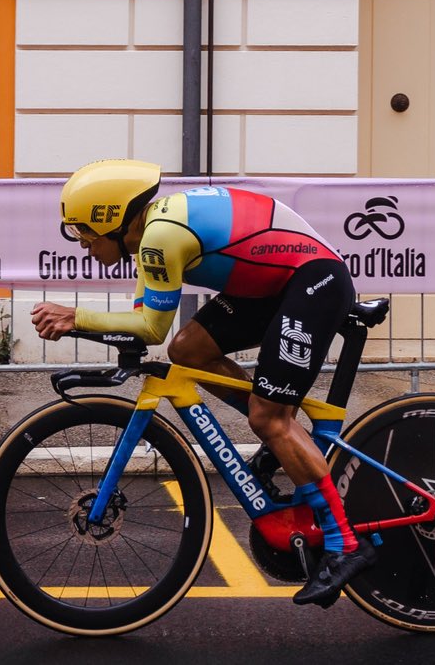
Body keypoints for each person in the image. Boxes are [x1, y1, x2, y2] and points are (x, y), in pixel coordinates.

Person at [29, 159, 375, 607]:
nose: (83, 245)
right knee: (188, 350)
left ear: (110, 219)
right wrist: (83, 324)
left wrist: (76, 317)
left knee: (269, 419)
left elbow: (150, 329)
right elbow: (145, 324)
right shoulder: (150, 234)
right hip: (279, 285)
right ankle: (283, 431)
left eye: (84, 233)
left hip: (314, 282)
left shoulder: (159, 237)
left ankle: (345, 542)